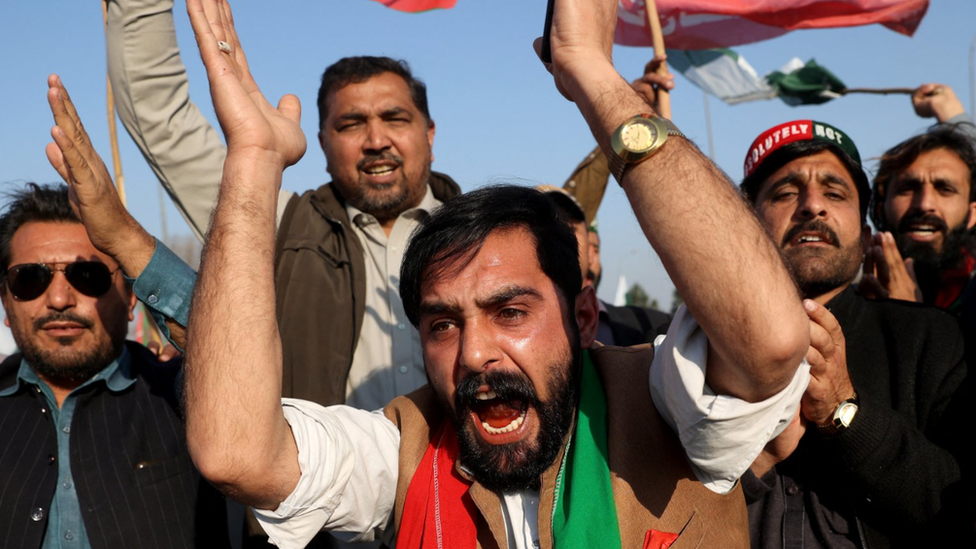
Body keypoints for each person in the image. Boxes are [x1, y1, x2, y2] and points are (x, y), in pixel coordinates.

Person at [105, 0, 460, 413]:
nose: (375, 140)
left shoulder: (486, 237)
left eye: (395, 118)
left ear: (430, 134)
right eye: (351, 124)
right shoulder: (276, 224)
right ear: (322, 143)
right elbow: (160, 118)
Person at [738, 120, 971, 547]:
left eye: (834, 192)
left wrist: (844, 414)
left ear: (865, 239)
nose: (812, 206)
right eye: (785, 192)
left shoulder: (931, 340)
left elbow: (954, 508)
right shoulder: (684, 349)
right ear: (746, 225)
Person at [0, 183, 228, 549]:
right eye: (31, 279)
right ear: (6, 302)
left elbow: (234, 354)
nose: (59, 298)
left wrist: (126, 237)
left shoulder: (181, 396)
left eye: (88, 276)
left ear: (130, 297)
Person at [860, 83, 976, 313]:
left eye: (945, 189)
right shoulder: (852, 301)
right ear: (881, 207)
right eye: (907, 188)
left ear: (973, 214)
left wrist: (910, 320)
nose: (924, 204)